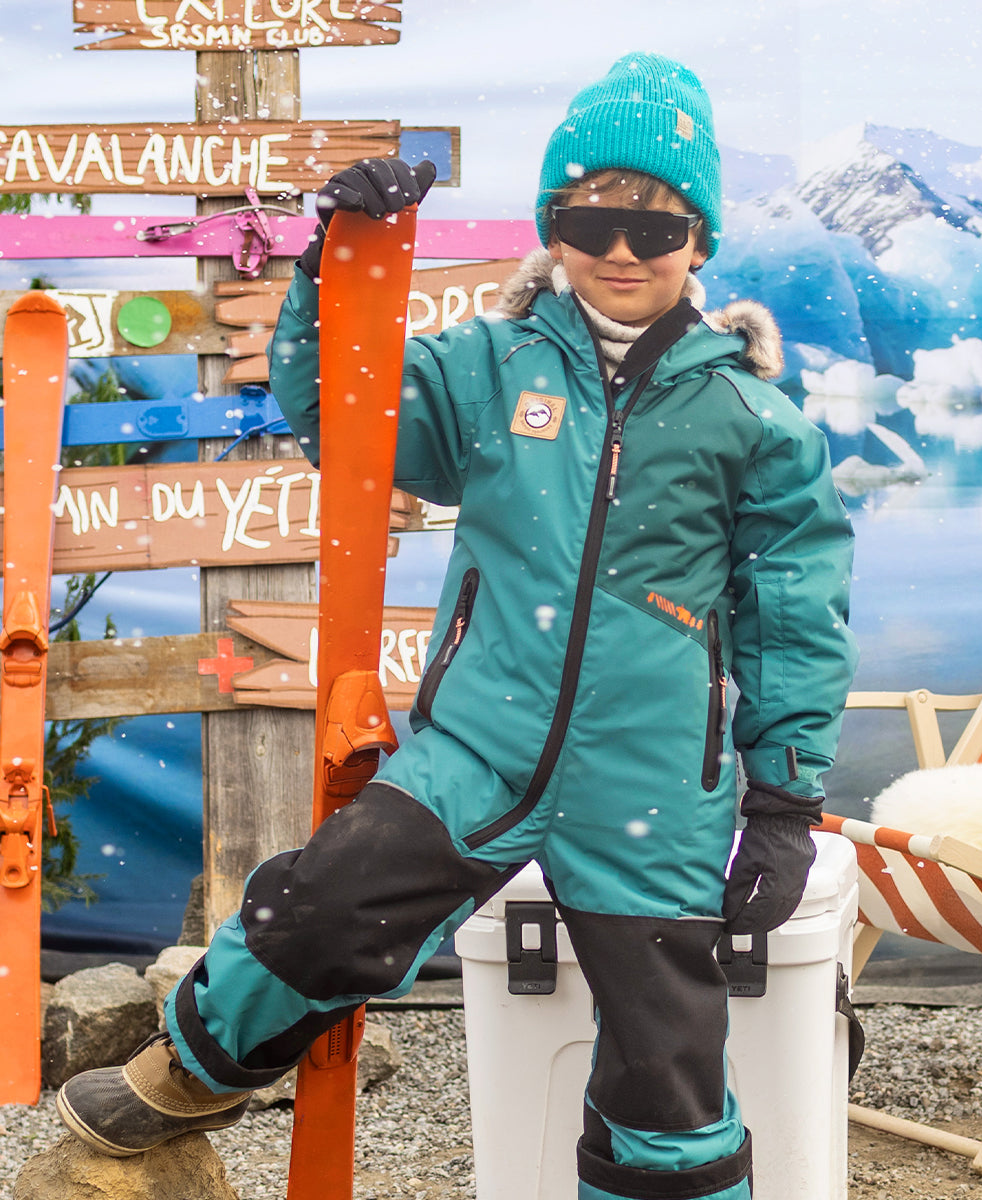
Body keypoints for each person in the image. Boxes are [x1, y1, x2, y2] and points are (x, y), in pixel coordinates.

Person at [57, 52, 857, 1200]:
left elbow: (793, 609)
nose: (620, 250)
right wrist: (340, 262)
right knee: (317, 909)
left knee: (665, 1067)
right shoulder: (487, 367)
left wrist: (781, 795)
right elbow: (344, 406)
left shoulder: (752, 418)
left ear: (701, 238)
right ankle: (192, 1073)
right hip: (477, 743)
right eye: (590, 218)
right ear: (553, 227)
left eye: (655, 226)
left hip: (654, 778)